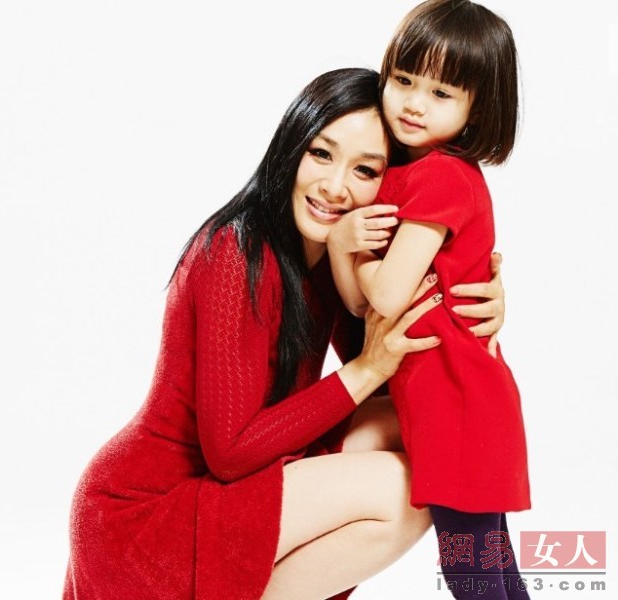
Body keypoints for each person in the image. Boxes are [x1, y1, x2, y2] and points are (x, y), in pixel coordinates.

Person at [62, 67, 507, 600]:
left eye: (365, 170)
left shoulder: (339, 258)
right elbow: (229, 452)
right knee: (404, 488)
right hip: (150, 512)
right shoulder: (235, 253)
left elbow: (401, 383)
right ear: (291, 149)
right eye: (321, 154)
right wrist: (366, 368)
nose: (335, 187)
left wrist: (471, 297)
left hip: (241, 483)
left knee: (420, 428)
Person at [327, 2, 531, 598]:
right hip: (445, 401)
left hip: (459, 404)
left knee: (473, 572)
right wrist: (344, 247)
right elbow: (360, 306)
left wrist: (357, 254)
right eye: (404, 80)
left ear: (477, 109)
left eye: (441, 93)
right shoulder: (400, 172)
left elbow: (387, 296)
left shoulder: (443, 175)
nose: (414, 103)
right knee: (487, 568)